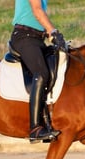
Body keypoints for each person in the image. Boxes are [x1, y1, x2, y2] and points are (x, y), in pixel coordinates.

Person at [10, 0, 66, 143]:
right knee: (41, 73)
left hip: (37, 39)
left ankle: (48, 120)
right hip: (24, 37)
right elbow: (37, 11)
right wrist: (53, 32)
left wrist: (50, 35)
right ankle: (35, 128)